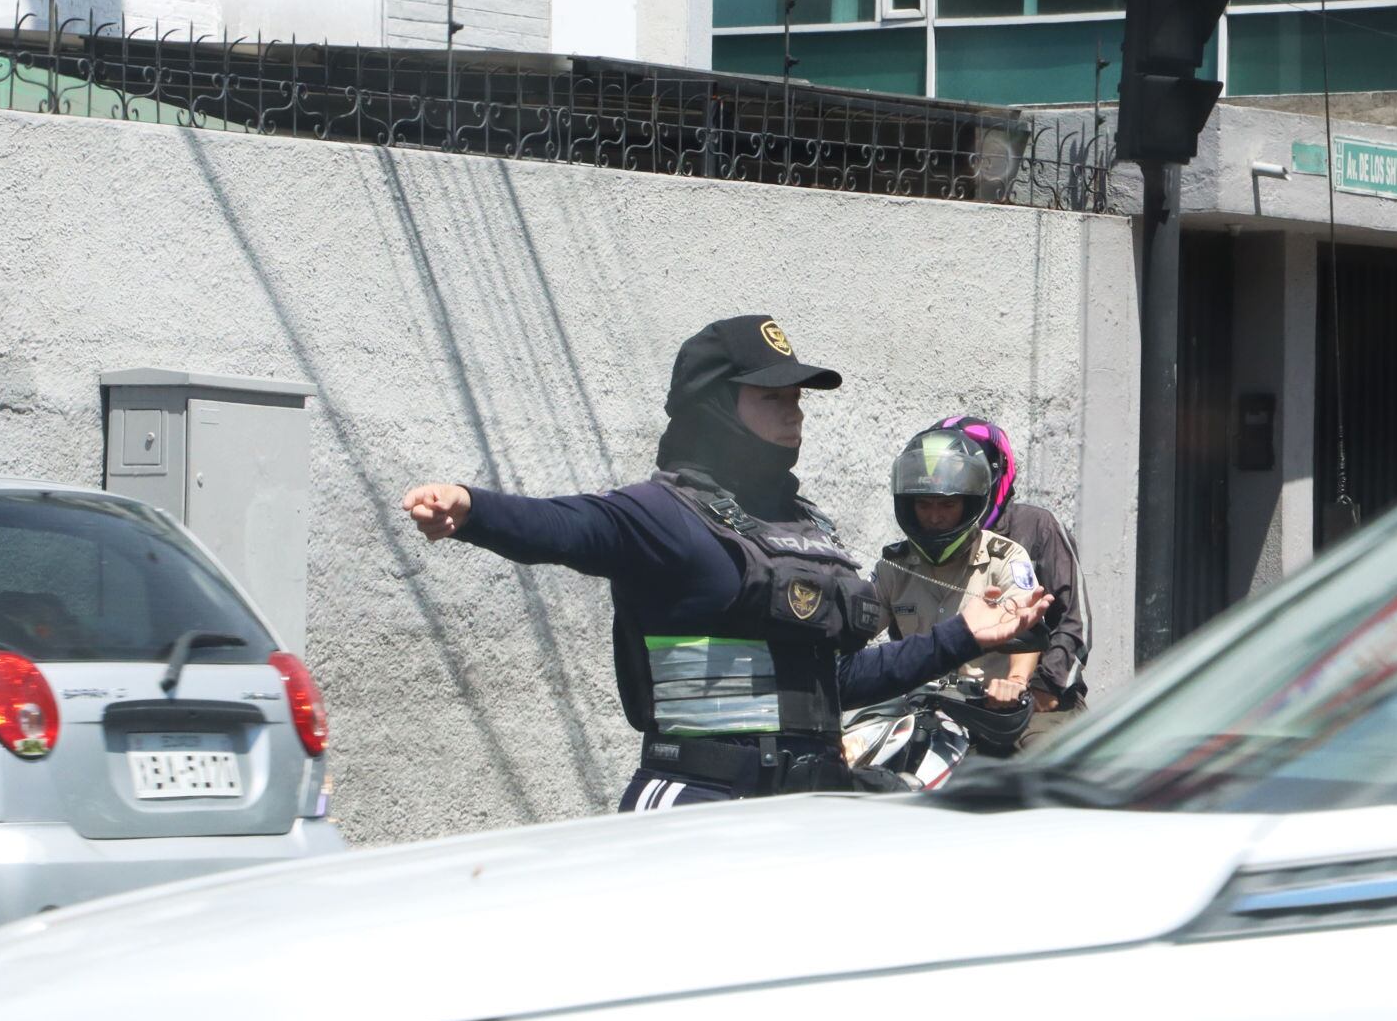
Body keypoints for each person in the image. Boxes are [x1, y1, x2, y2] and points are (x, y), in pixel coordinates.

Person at [401, 314, 1047, 810]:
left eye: (796, 400)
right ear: (714, 405)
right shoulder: (663, 515)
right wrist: (473, 509)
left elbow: (837, 684)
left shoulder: (807, 529)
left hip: (807, 806)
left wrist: (964, 636)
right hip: (696, 805)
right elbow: (569, 527)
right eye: (773, 399)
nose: (794, 414)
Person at [931, 414, 1092, 751]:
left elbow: (1075, 622)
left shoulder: (1038, 527)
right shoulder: (931, 536)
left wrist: (1041, 689)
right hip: (956, 703)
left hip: (1034, 704)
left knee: (1042, 765)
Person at [871, 425, 1043, 723]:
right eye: (924, 505)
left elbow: (1026, 628)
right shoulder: (893, 567)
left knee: (1040, 757)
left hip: (987, 714)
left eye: (948, 505)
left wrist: (1014, 681)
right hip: (913, 716)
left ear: (970, 503)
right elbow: (856, 632)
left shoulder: (1005, 558)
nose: (934, 517)